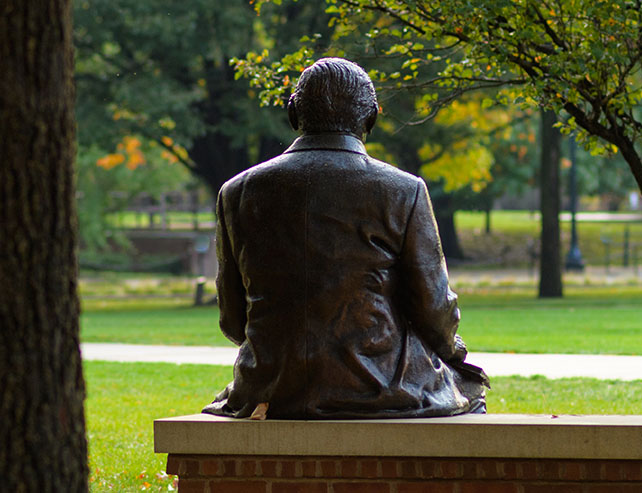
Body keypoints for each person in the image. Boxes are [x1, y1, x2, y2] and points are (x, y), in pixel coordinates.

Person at [202, 57, 487, 420]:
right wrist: (452, 350)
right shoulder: (403, 191)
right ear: (371, 118)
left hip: (269, 389)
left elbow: (232, 322)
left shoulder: (236, 192)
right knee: (471, 389)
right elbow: (434, 311)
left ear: (293, 114)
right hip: (382, 391)